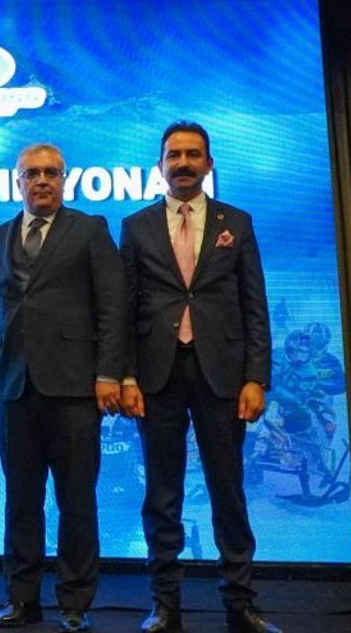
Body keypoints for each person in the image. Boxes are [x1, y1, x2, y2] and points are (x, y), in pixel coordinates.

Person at [120, 121, 280, 633]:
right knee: (162, 495)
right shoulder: (136, 226)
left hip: (224, 375)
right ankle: (165, 605)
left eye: (193, 154)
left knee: (227, 491)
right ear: (160, 165)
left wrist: (256, 377)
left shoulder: (239, 222)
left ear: (209, 164)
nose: (183, 163)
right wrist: (126, 377)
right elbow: (124, 309)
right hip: (157, 376)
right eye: (174, 155)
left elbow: (255, 305)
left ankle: (240, 603)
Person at [0, 143, 127, 633]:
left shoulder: (90, 229)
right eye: (32, 173)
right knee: (21, 501)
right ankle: (22, 600)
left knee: (76, 500)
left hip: (76, 390)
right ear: (17, 181)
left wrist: (109, 374)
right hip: (14, 390)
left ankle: (75, 602)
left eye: (51, 173)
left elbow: (113, 307)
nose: (42, 180)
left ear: (64, 179)